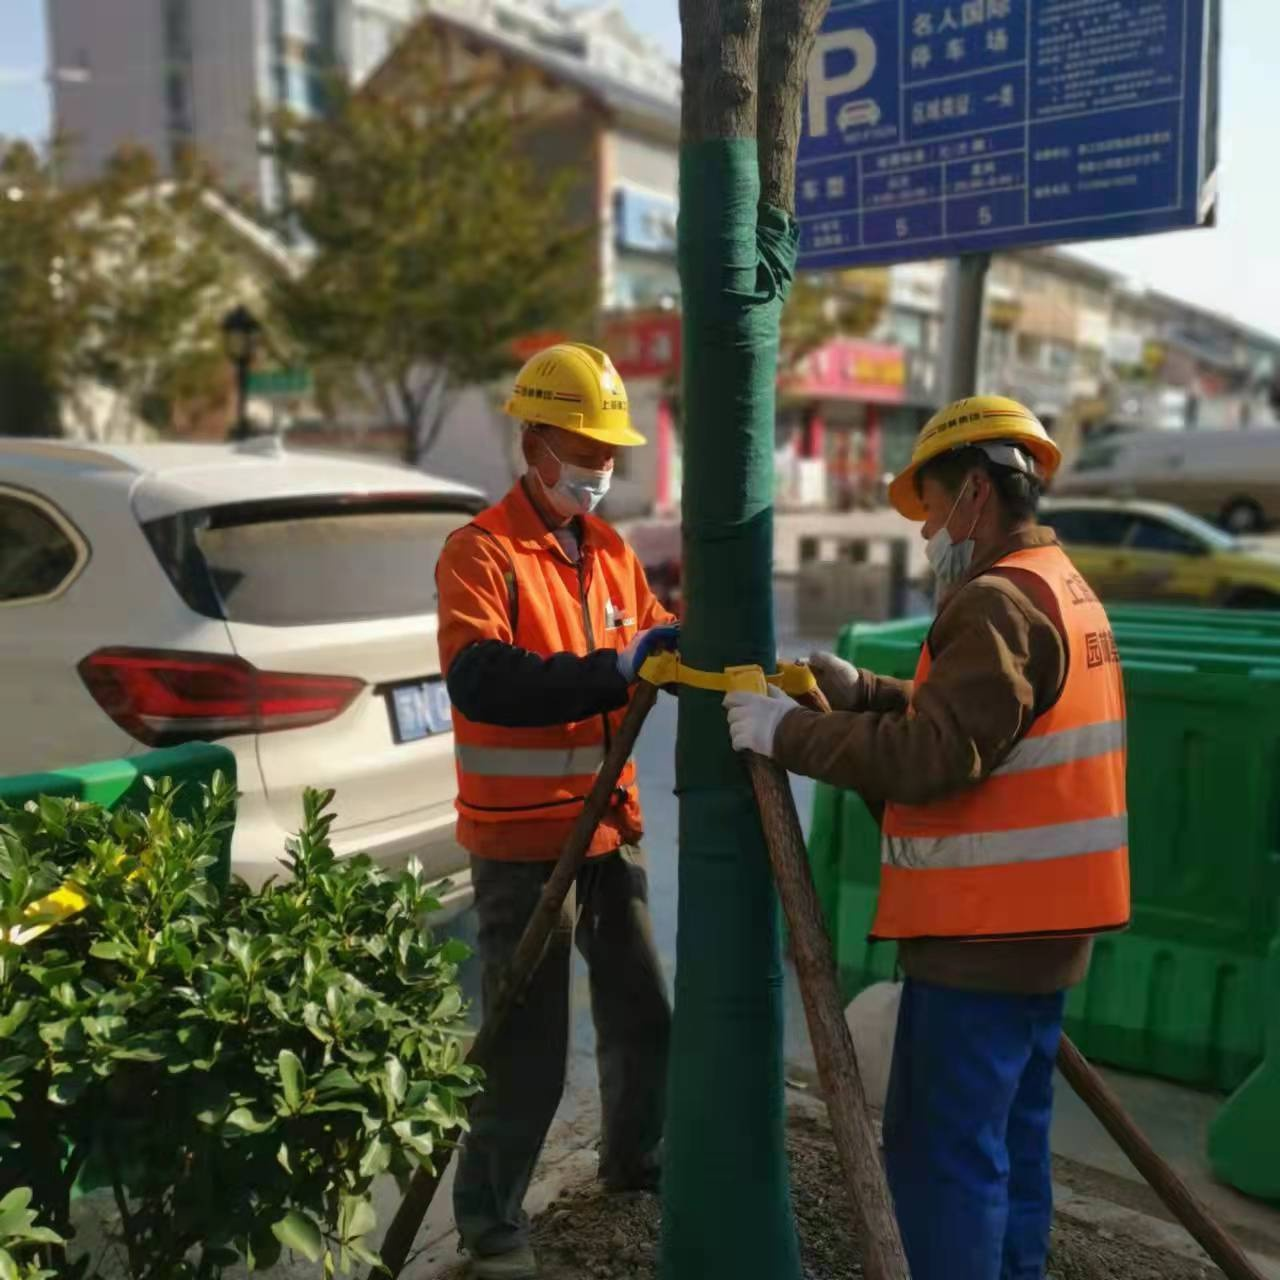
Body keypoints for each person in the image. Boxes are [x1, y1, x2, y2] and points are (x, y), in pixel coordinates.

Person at [724, 396, 1130, 1280]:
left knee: (944, 1164)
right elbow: (987, 720)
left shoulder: (995, 601)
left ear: (977, 494)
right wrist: (863, 688)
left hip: (984, 937)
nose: (927, 534)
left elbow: (937, 754)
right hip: (1046, 933)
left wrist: (783, 734)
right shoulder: (1061, 588)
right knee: (1010, 1151)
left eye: (934, 508)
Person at [436, 342, 679, 1280]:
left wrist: (678, 648)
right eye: (580, 444)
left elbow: (651, 636)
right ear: (532, 438)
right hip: (522, 841)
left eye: (608, 447)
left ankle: (636, 1159)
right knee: (526, 1050)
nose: (599, 465)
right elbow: (483, 679)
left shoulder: (611, 553)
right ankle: (491, 1225)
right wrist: (613, 671)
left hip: (608, 829)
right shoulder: (481, 552)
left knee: (643, 1012)